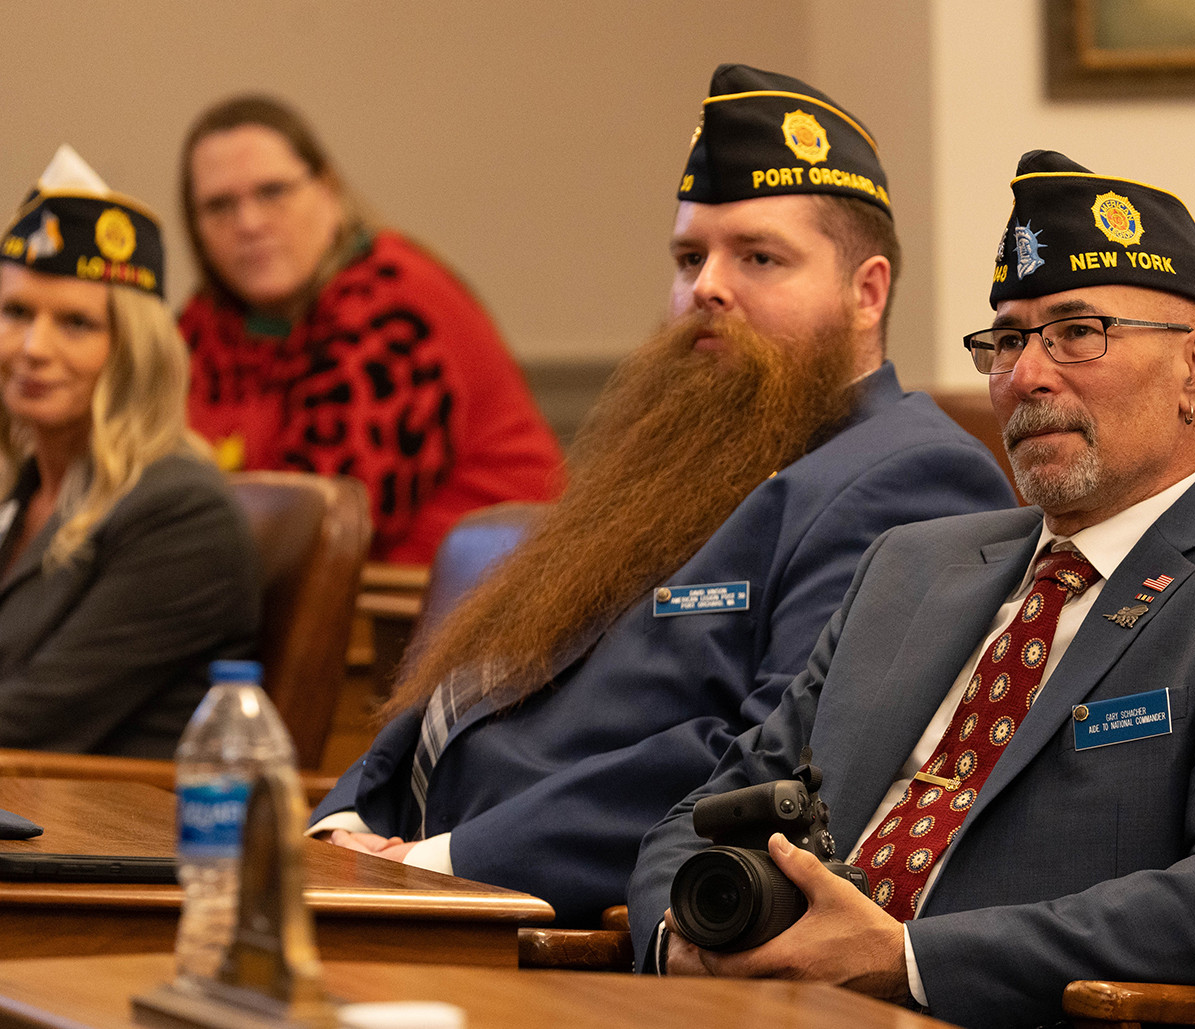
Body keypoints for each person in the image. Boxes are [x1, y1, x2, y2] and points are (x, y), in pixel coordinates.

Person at [630, 149, 1195, 1029]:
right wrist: (678, 941)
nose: (1026, 376)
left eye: (1077, 333)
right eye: (1007, 340)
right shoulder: (909, 565)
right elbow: (703, 813)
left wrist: (907, 961)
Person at [307, 65, 1016, 927]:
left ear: (866, 292)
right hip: (410, 887)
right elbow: (480, 680)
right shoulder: (680, 455)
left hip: (560, 923)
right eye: (689, 257)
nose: (706, 286)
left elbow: (767, 765)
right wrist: (347, 822)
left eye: (758, 257)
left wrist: (442, 864)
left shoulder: (911, 474)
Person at [177, 95, 562, 563]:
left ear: (329, 192)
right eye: (219, 206)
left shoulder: (394, 303)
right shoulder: (204, 325)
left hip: (491, 590)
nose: (249, 223)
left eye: (272, 192)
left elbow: (323, 526)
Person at [0, 147, 260, 758]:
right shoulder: (31, 490)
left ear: (136, 351)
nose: (33, 347)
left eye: (76, 323)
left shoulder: (183, 512)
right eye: (15, 312)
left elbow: (33, 721)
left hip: (96, 813)